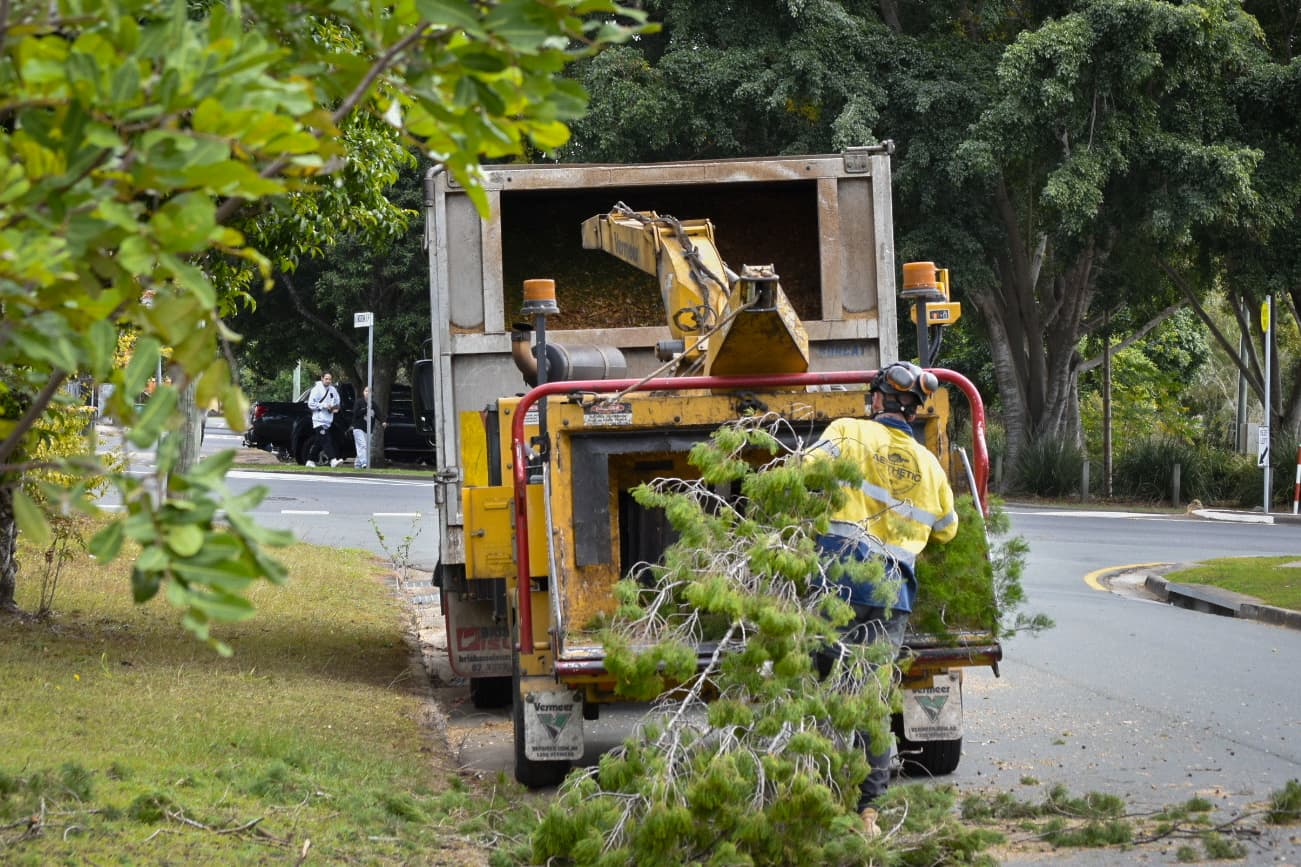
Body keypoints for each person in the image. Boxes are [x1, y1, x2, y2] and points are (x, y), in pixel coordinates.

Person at [805, 360, 958, 830]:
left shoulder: (849, 431)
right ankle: (868, 807)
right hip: (893, 592)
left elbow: (804, 475)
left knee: (829, 690)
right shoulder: (929, 464)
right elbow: (948, 531)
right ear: (913, 410)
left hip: (839, 580)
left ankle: (828, 795)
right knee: (871, 697)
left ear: (878, 401)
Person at [306, 371, 344, 467]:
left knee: (319, 441)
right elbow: (310, 404)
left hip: (328, 420)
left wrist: (334, 408)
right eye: (326, 379)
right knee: (327, 440)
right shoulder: (316, 389)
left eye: (330, 379)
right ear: (322, 378)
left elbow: (337, 402)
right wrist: (323, 406)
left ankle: (310, 460)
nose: (328, 381)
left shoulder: (333, 390)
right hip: (318, 420)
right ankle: (333, 460)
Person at [351, 386, 382, 469]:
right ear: (363, 392)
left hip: (368, 430)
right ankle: (364, 463)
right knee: (363, 445)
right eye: (366, 391)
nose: (367, 393)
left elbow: (379, 414)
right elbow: (355, 413)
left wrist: (383, 421)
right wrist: (365, 409)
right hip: (358, 428)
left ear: (372, 394)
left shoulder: (373, 404)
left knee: (364, 448)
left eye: (369, 391)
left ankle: (357, 465)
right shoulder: (359, 402)